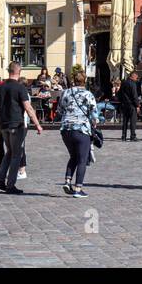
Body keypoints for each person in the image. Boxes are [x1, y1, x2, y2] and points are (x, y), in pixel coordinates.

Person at [0, 62, 43, 194]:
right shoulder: (20, 88)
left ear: (9, 71)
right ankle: (10, 184)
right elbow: (28, 108)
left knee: (9, 152)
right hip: (17, 124)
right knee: (16, 154)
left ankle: (0, 179)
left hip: (3, 124)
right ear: (19, 72)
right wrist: (37, 124)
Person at [58, 66, 101, 197]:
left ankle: (67, 181)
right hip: (81, 129)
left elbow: (60, 111)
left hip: (66, 129)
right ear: (85, 81)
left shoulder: (65, 93)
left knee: (73, 156)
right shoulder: (88, 95)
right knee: (82, 159)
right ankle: (78, 189)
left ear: (73, 80)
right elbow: (94, 116)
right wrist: (95, 123)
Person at [117, 70, 141, 141]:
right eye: (136, 78)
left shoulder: (124, 82)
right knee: (133, 121)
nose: (137, 80)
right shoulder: (133, 84)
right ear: (133, 76)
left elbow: (119, 93)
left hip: (124, 104)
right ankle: (132, 136)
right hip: (132, 105)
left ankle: (123, 136)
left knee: (125, 121)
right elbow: (134, 95)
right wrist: (137, 105)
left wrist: (122, 102)